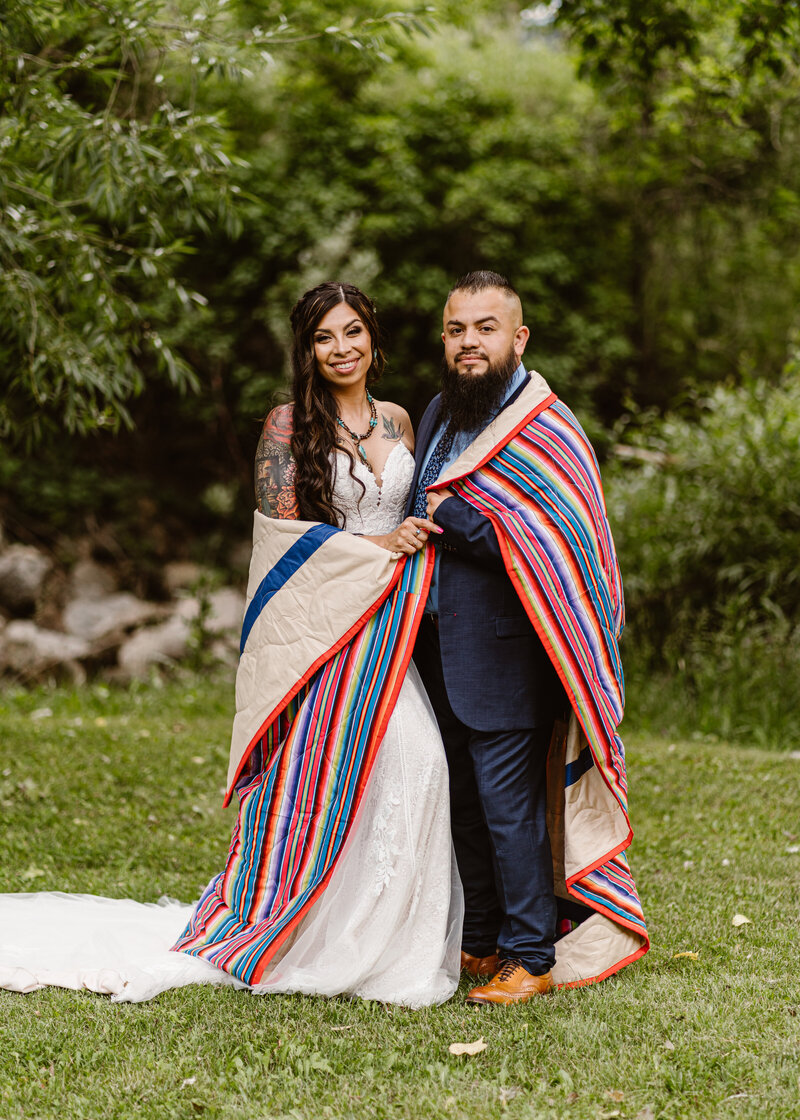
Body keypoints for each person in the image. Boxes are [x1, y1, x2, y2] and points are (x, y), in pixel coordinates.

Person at [0, 282, 463, 1007]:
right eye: (323, 338)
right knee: (344, 778)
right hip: (322, 634)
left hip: (389, 630)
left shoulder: (401, 421)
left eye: (352, 333)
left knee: (414, 770)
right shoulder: (288, 427)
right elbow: (281, 542)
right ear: (305, 351)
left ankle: (386, 943)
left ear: (374, 335)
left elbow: (424, 508)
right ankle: (315, 935)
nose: (341, 350)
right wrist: (379, 542)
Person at [409, 271, 649, 1005]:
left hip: (510, 655)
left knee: (511, 809)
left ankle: (530, 955)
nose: (469, 342)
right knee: (463, 804)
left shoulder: (547, 427)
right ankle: (481, 939)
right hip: (433, 648)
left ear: (518, 338)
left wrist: (452, 516)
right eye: (457, 330)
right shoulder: (438, 414)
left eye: (485, 328)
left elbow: (553, 545)